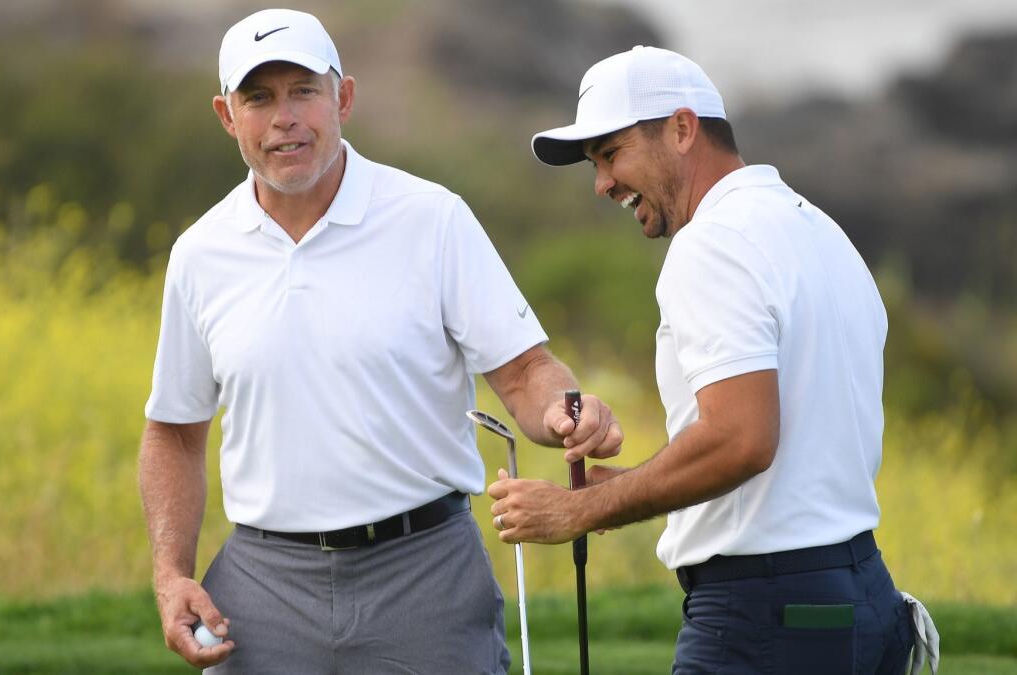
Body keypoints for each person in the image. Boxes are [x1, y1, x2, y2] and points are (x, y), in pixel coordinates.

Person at [137, 9, 622, 674]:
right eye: (260, 98)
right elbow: (174, 432)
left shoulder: (432, 219)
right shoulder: (200, 254)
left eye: (305, 91)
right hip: (264, 582)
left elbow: (526, 371)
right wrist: (170, 574)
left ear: (344, 98)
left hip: (424, 572)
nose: (286, 117)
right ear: (227, 116)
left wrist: (569, 409)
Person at [487, 46, 933, 673]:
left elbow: (742, 441)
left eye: (612, 154)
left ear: (681, 128)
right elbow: (781, 454)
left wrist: (579, 510)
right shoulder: (818, 229)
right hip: (862, 597)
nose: (602, 184)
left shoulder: (711, 244)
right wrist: (620, 489)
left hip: (762, 615)